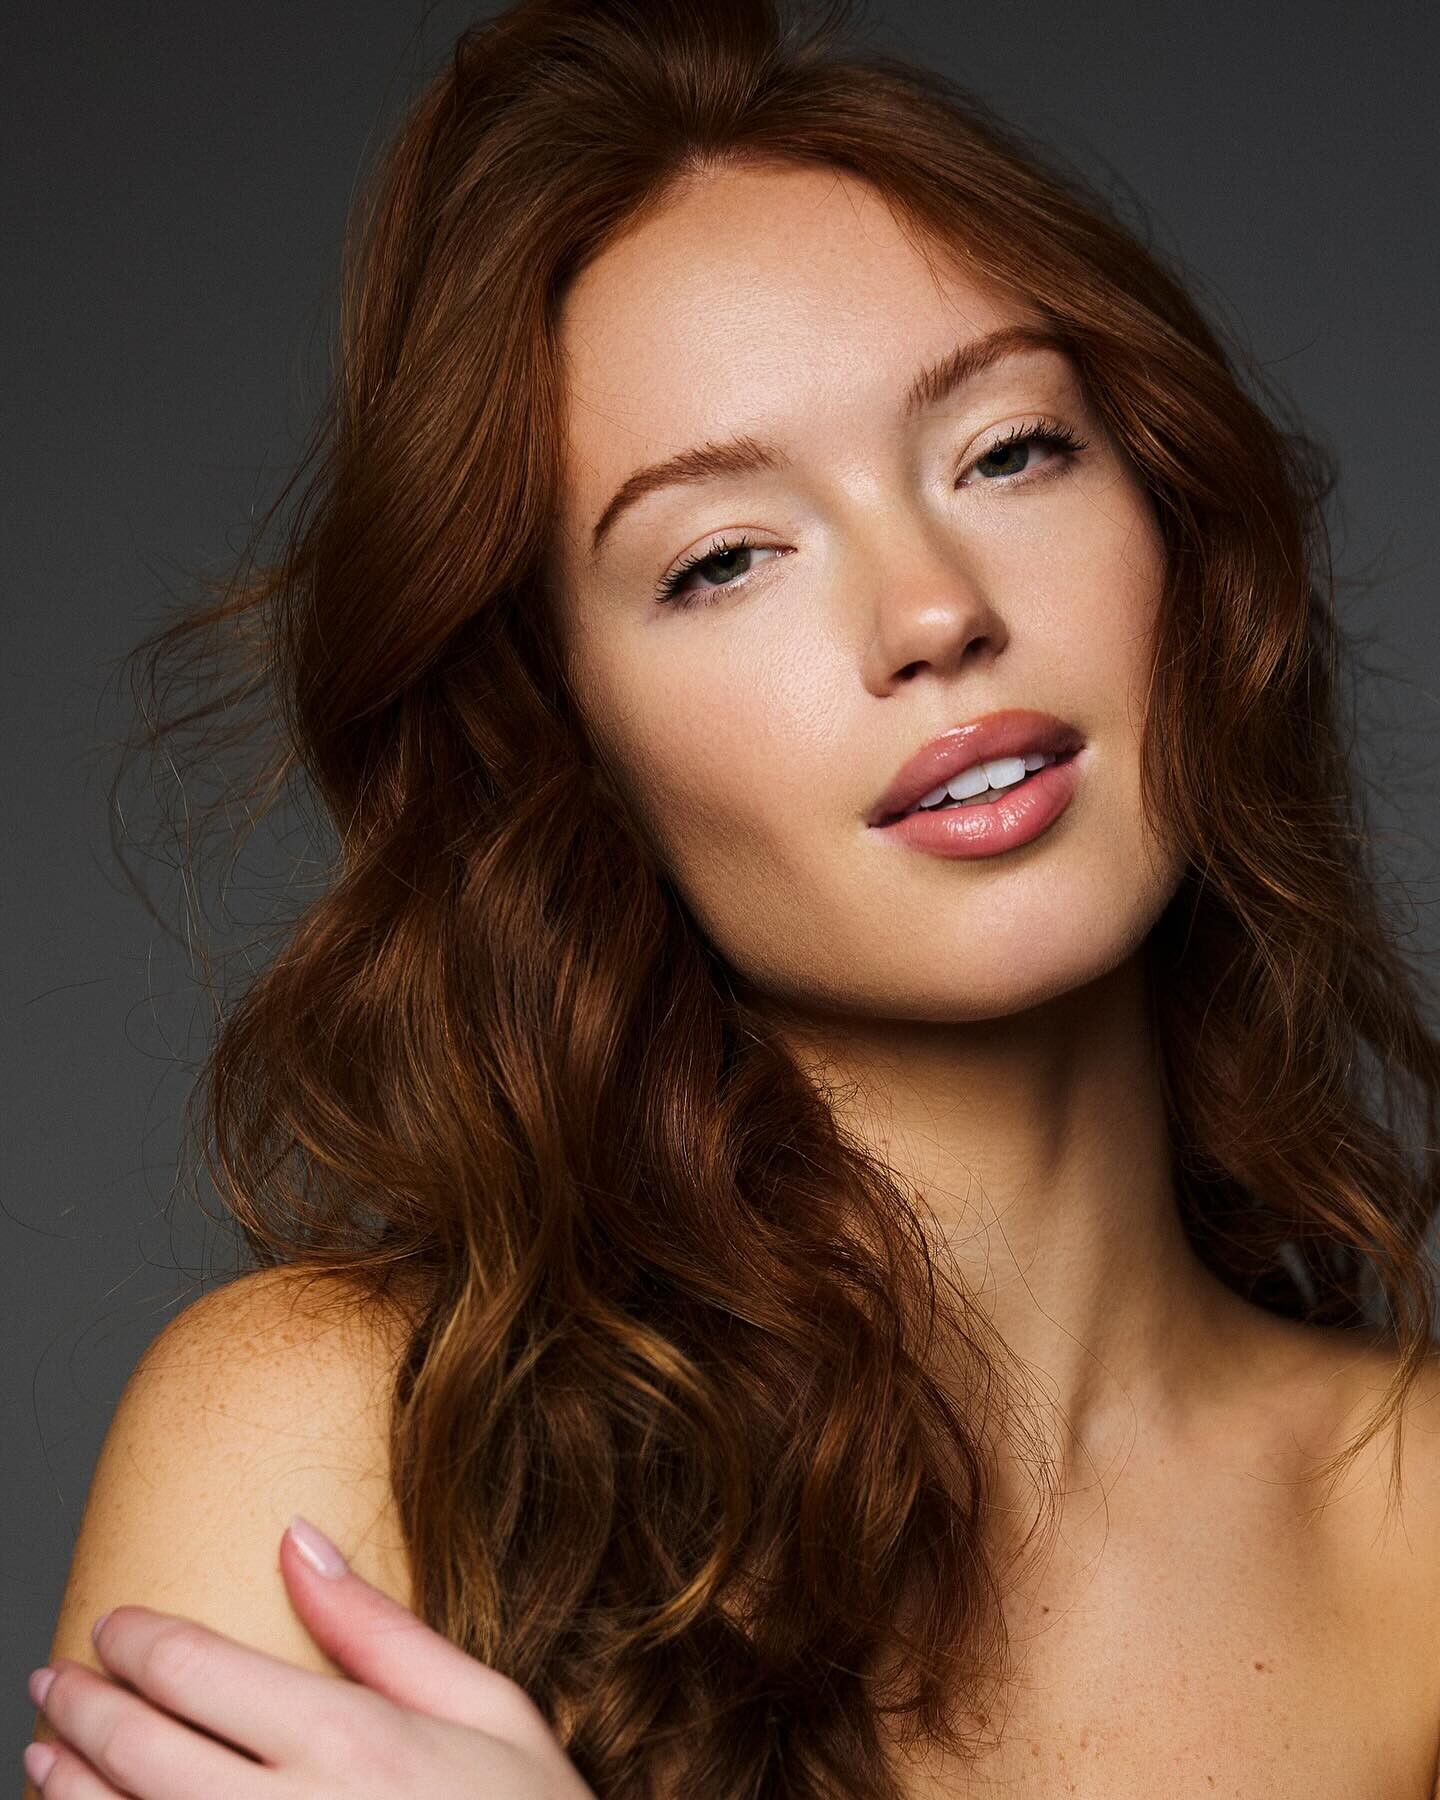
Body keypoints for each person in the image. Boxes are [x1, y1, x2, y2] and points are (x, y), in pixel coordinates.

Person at [24, 0, 1440, 1794]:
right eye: (722, 560)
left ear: (1179, 523)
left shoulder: (1414, 1537)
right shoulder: (332, 1442)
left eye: (1009, 450)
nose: (934, 612)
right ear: (570, 744)